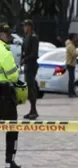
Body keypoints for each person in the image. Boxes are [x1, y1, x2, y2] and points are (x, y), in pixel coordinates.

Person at [0, 22, 22, 168]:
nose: (8, 37)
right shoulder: (4, 52)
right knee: (12, 127)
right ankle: (10, 159)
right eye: (7, 34)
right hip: (4, 95)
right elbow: (13, 76)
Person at [21, 19, 39, 120]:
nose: (24, 28)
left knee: (31, 88)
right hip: (27, 65)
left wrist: (25, 59)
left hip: (32, 65)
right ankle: (32, 110)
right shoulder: (26, 37)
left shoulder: (33, 37)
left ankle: (34, 110)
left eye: (25, 26)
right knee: (29, 88)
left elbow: (34, 53)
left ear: (29, 27)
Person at [65, 33, 78, 97]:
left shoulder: (72, 45)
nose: (76, 39)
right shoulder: (70, 46)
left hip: (71, 64)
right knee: (71, 79)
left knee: (72, 79)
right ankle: (70, 93)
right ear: (72, 38)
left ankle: (71, 92)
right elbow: (74, 54)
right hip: (70, 64)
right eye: (75, 37)